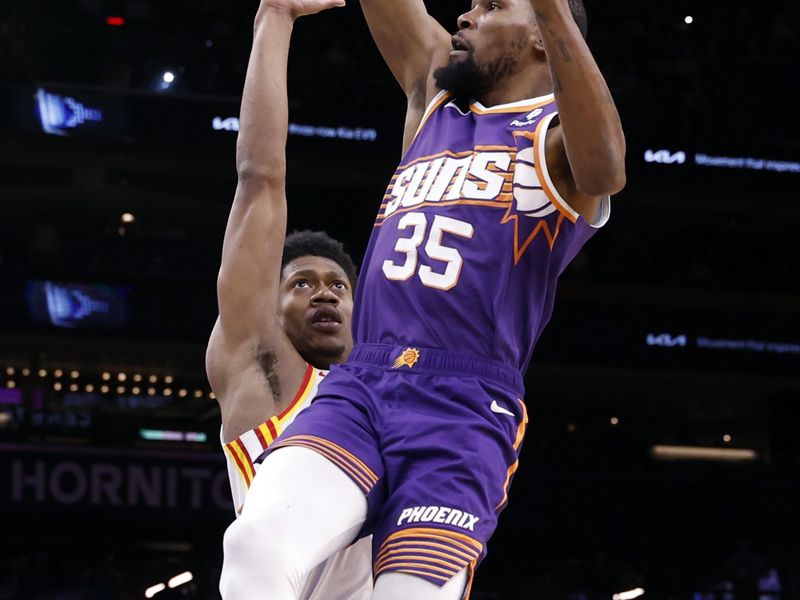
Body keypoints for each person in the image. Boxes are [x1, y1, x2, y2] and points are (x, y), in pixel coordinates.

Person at [220, 0, 626, 598]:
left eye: (490, 6)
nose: (465, 15)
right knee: (255, 545)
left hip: (463, 406)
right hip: (363, 380)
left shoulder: (558, 141)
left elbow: (608, 169)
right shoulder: (434, 102)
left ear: (543, 32)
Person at [206, 0, 371, 598]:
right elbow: (260, 177)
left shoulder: (389, 387)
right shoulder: (265, 370)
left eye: (338, 285)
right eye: (302, 283)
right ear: (268, 309)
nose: (325, 293)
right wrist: (274, 17)